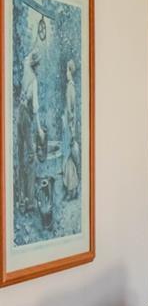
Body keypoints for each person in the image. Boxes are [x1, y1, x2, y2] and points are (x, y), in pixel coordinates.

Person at [16, 49, 42, 215]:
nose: (39, 67)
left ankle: (20, 200)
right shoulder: (34, 81)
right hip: (27, 117)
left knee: (21, 155)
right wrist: (39, 129)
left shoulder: (26, 68)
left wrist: (32, 53)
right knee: (32, 157)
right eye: (38, 64)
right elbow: (35, 109)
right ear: (36, 65)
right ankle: (30, 202)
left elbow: (26, 57)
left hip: (19, 114)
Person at [62, 59, 79, 200]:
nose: (66, 73)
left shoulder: (70, 87)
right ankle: (71, 188)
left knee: (69, 158)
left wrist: (72, 131)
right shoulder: (69, 86)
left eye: (67, 70)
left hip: (69, 127)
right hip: (67, 126)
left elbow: (72, 111)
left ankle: (71, 190)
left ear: (71, 71)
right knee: (68, 158)